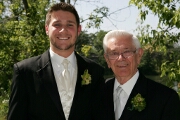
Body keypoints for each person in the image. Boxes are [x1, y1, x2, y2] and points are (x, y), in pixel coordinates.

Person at [7, 2, 105, 120]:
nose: (63, 30)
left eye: (70, 25)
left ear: (78, 30)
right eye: (57, 24)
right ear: (47, 29)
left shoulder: (95, 72)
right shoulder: (24, 72)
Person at [103, 30, 180, 120]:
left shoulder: (165, 98)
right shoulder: (99, 92)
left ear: (139, 55)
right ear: (107, 59)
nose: (120, 58)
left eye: (127, 52)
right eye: (114, 53)